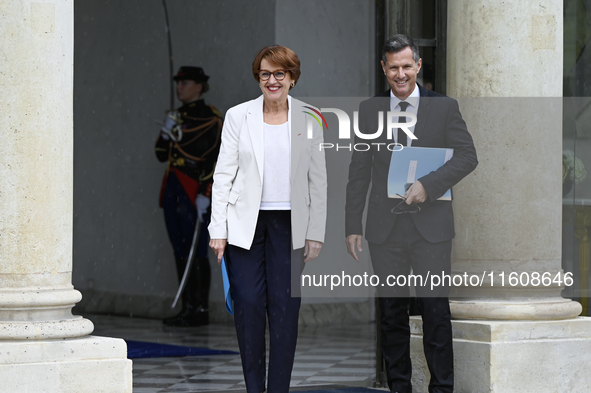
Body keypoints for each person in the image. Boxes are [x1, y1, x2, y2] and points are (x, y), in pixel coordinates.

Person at [345, 35, 478, 393]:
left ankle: (441, 389)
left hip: (430, 228)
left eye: (407, 66)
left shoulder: (444, 107)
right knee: (391, 315)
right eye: (393, 68)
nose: (400, 74)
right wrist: (351, 226)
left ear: (417, 66)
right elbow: (358, 172)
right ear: (384, 69)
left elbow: (468, 157)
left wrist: (428, 185)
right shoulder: (370, 110)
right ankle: (399, 388)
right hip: (384, 229)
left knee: (435, 312)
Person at [208, 45, 327, 393]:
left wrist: (316, 231)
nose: (272, 80)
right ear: (257, 77)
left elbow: (317, 179)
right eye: (265, 74)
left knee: (284, 309)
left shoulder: (311, 117)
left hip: (290, 226)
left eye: (279, 74)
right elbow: (223, 175)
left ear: (292, 78)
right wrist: (219, 230)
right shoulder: (237, 115)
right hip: (245, 224)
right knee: (247, 303)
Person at [155, 66, 222, 327]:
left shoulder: (212, 117)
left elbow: (216, 159)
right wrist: (165, 131)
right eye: (178, 82)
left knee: (197, 250)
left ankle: (200, 309)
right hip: (173, 187)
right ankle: (187, 306)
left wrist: (206, 193)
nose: (179, 87)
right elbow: (161, 154)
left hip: (195, 187)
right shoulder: (175, 116)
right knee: (179, 247)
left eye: (185, 82)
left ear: (199, 86)